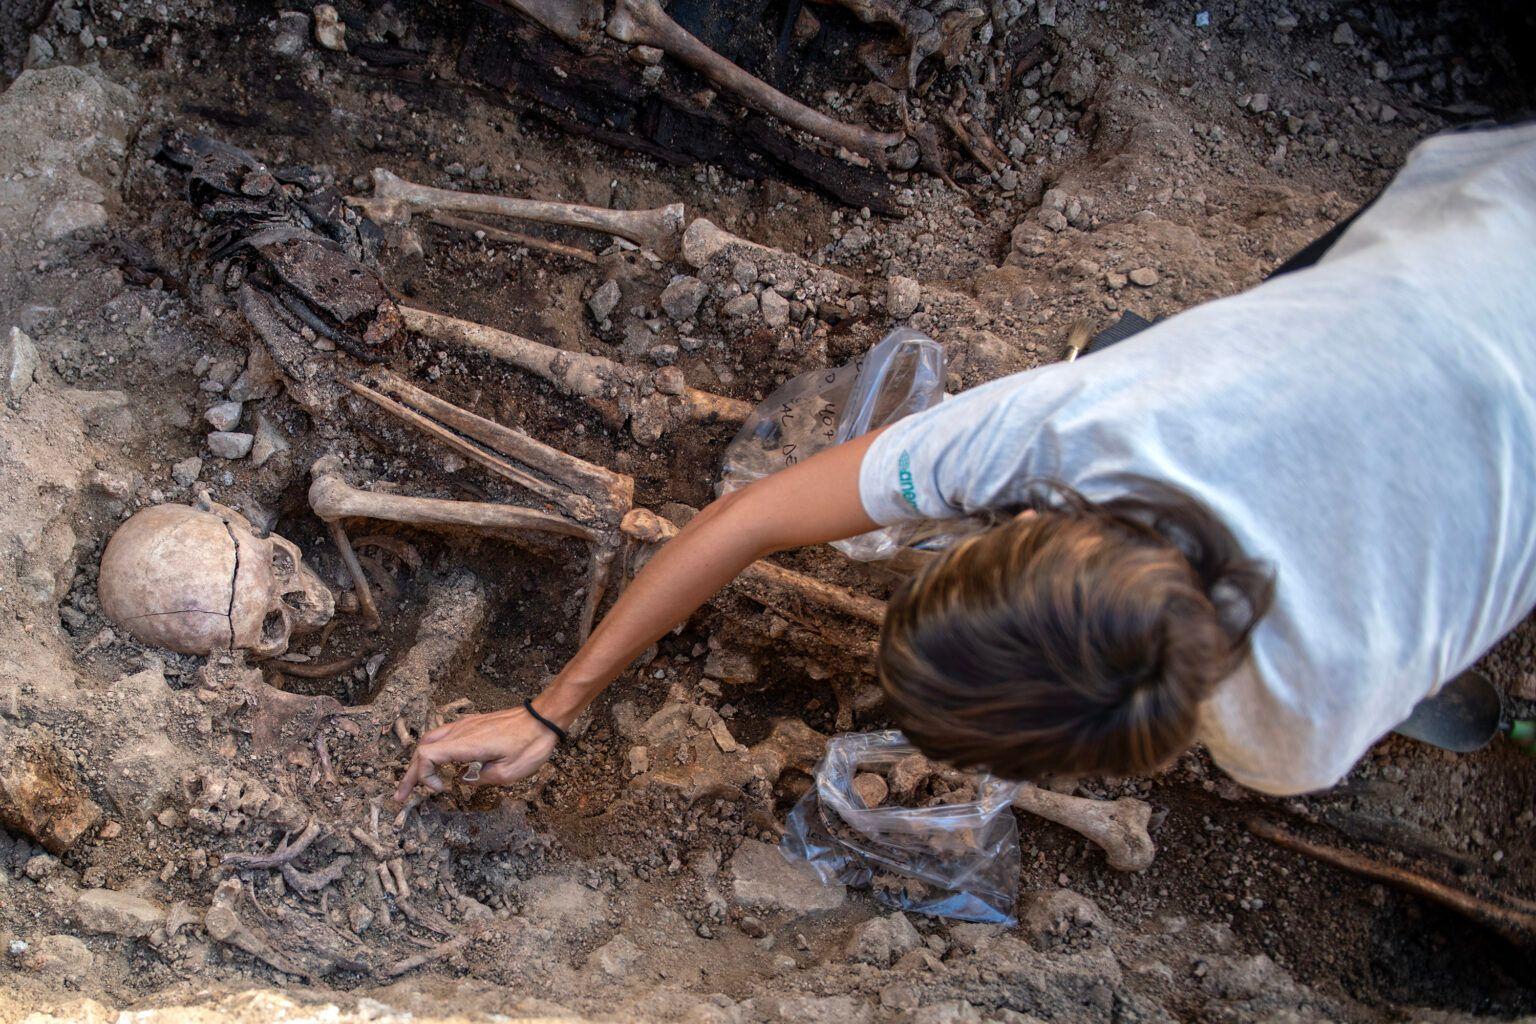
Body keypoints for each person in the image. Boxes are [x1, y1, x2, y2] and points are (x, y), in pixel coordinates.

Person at [396, 122, 1536, 803]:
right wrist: (553, 710)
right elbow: (744, 520)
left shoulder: (1297, 737)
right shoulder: (1067, 418)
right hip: (1477, 236)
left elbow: (754, 520)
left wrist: (554, 711)